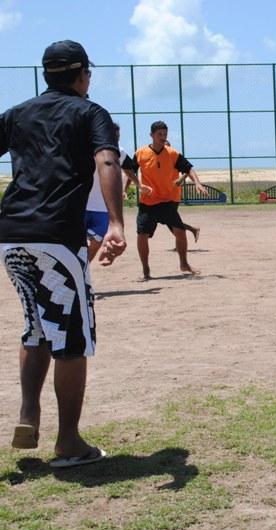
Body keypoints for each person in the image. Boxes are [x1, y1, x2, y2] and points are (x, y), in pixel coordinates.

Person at [0, 40, 126, 467]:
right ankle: (68, 442)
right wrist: (116, 223)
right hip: (56, 237)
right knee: (72, 339)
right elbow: (107, 162)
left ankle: (28, 415)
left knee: (36, 326)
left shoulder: (18, 113)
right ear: (82, 75)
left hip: (11, 235)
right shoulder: (90, 113)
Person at [133, 121, 207, 279]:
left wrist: (198, 183)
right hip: (148, 202)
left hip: (167, 201)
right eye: (159, 134)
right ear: (151, 135)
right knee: (142, 235)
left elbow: (188, 168)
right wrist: (128, 188)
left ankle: (184, 264)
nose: (163, 137)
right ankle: (146, 270)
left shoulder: (173, 154)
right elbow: (130, 171)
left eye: (165, 134)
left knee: (180, 232)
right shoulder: (141, 153)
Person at [85, 123, 140, 262]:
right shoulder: (86, 147)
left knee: (98, 240)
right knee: (74, 242)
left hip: (102, 208)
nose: (116, 140)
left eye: (118, 137)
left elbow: (129, 169)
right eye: (114, 136)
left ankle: (83, 266)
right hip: (81, 204)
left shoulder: (118, 151)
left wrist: (139, 184)